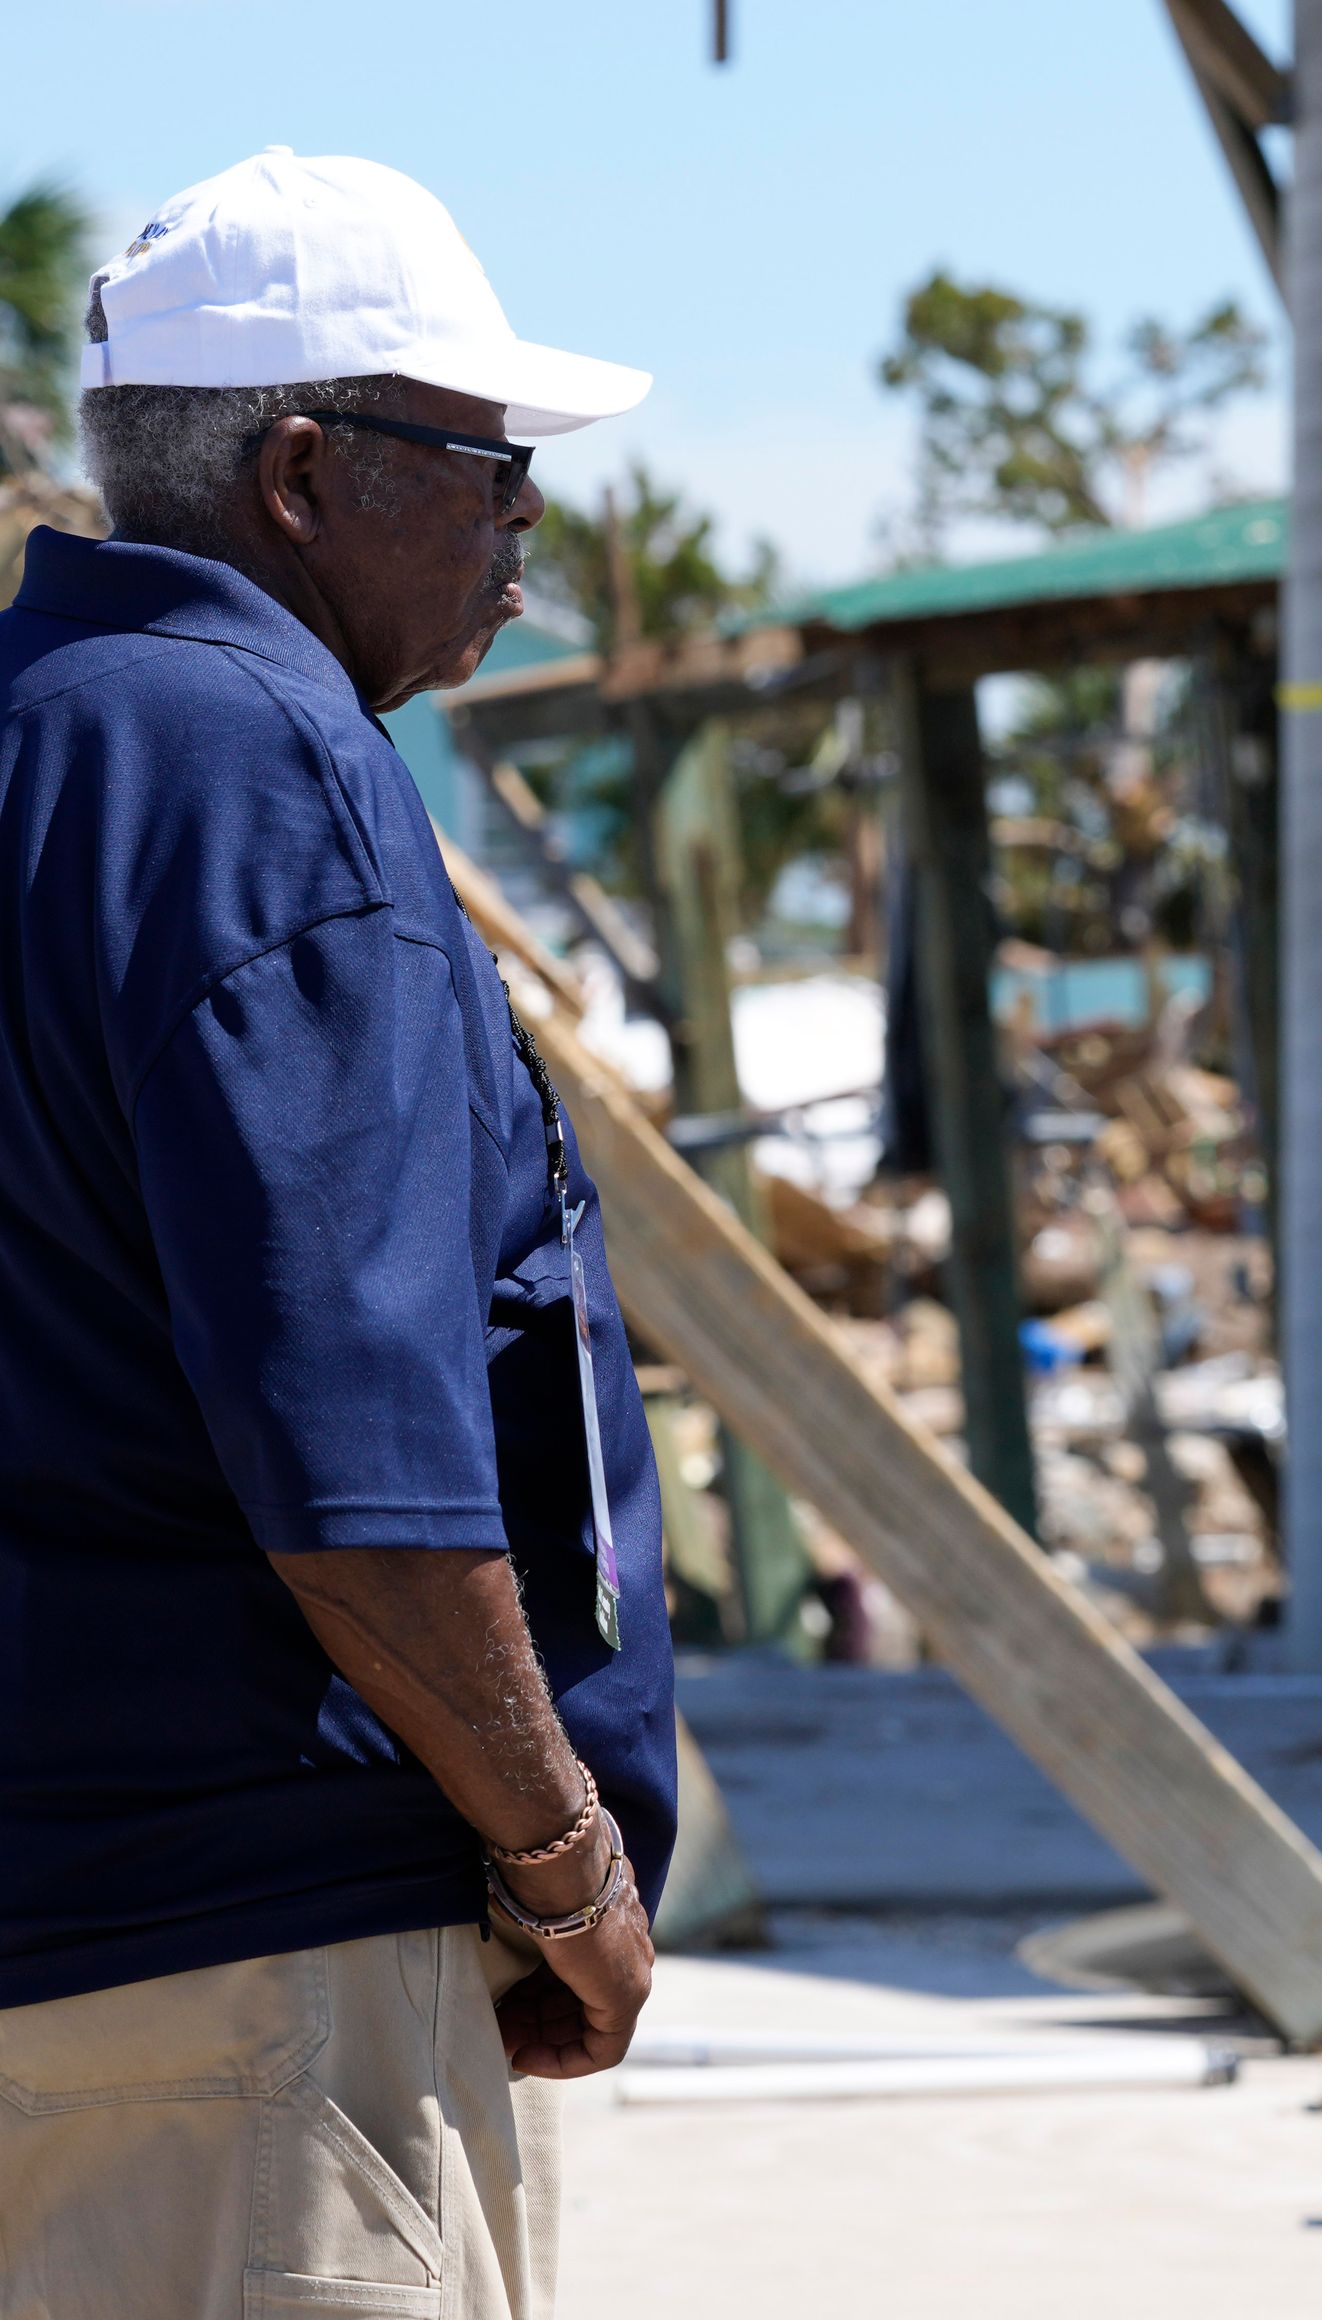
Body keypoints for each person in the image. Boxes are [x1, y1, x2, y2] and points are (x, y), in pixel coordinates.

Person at [0, 149, 670, 2320]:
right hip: (242, 1988)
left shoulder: (42, 741)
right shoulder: (270, 767)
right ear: (304, 469)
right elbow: (357, 1468)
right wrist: (564, 1860)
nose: (521, 528)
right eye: (487, 466)